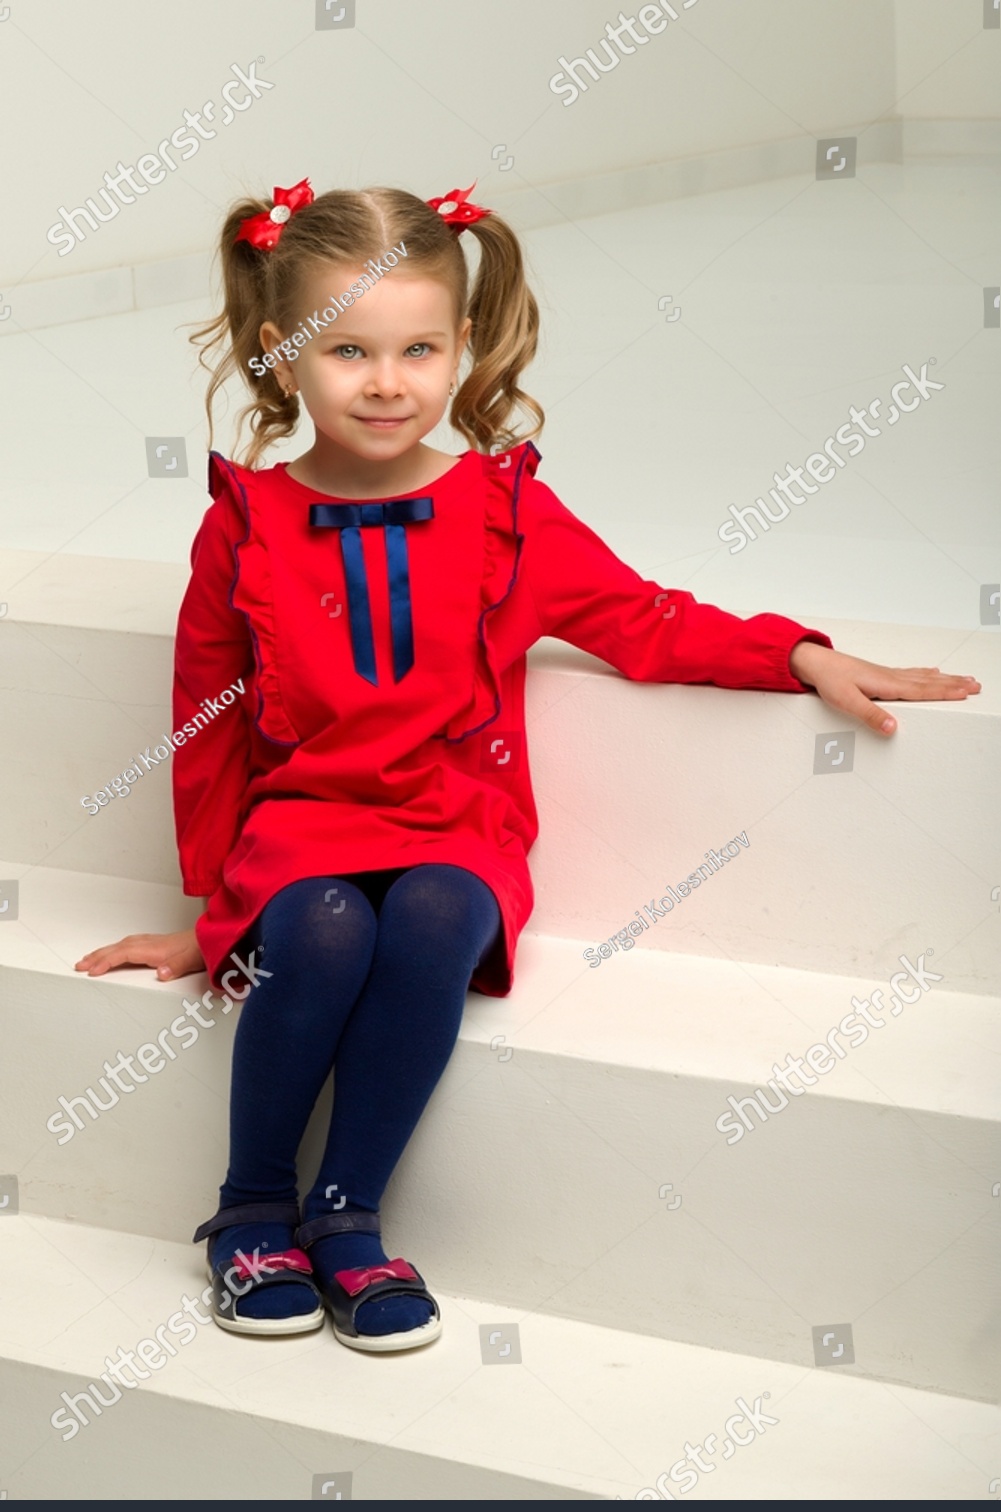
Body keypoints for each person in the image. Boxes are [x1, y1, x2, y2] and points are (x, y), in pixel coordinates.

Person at [76, 179, 981, 1353]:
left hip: (455, 818)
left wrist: (796, 652)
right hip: (305, 824)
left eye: (418, 348)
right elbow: (206, 717)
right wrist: (211, 910)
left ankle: (348, 1211)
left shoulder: (500, 511)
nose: (387, 381)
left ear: (461, 349)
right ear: (279, 351)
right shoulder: (246, 521)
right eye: (347, 350)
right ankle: (252, 1207)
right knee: (326, 931)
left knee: (440, 916)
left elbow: (642, 619)